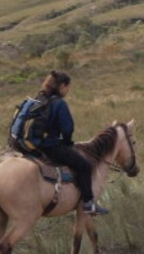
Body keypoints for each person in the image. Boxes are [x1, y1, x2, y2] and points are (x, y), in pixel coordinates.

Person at [29, 71, 109, 215]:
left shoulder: (41, 99)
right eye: (68, 87)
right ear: (62, 86)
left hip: (34, 146)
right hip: (50, 147)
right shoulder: (59, 103)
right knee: (85, 165)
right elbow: (67, 129)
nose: (68, 91)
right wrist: (66, 142)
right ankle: (88, 203)